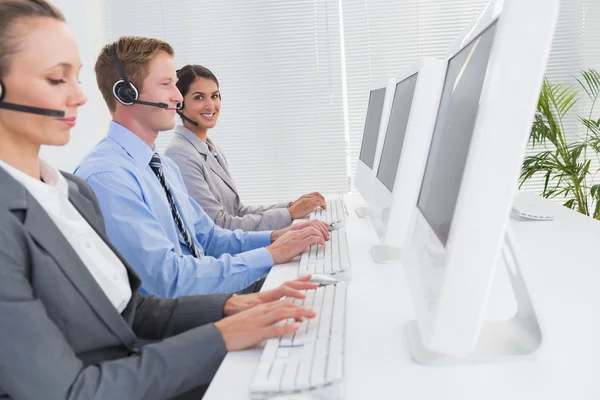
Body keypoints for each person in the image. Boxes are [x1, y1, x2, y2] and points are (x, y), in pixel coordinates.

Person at [0, 1, 318, 398]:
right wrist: (220, 335)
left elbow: (127, 308)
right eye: (56, 79)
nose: (80, 97)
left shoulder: (71, 192)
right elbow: (72, 389)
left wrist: (227, 308)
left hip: (150, 354)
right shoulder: (101, 179)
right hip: (127, 379)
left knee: (309, 350)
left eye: (77, 78)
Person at [74, 36, 329, 298]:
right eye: (166, 84)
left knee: (319, 291)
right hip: (175, 323)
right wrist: (270, 255)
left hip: (202, 300)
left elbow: (209, 238)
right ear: (125, 93)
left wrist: (277, 237)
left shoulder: (163, 167)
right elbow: (169, 280)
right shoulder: (108, 178)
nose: (176, 97)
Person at [165, 64, 326, 231]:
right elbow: (218, 225)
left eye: (214, 96)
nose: (210, 105)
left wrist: (291, 206)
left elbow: (237, 212)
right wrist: (289, 214)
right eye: (199, 97)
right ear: (179, 103)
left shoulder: (211, 149)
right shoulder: (180, 154)